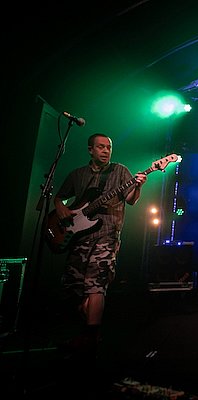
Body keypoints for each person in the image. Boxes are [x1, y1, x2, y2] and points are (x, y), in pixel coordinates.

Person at [53, 133, 147, 360]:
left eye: (109, 147)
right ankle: (85, 333)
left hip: (107, 235)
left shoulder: (120, 171)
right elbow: (60, 197)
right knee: (73, 288)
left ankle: (91, 338)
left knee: (96, 285)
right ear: (90, 150)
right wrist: (60, 207)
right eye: (101, 147)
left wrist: (138, 186)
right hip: (78, 238)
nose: (106, 151)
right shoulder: (78, 174)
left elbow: (131, 200)